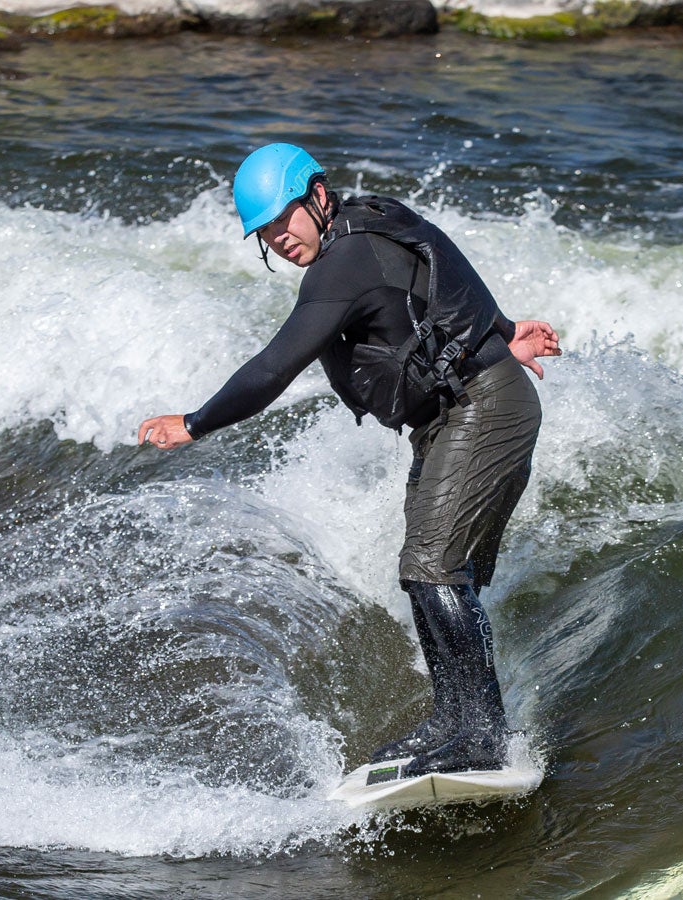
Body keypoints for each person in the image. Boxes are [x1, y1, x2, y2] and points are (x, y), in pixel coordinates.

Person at [136, 143, 562, 778]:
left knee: (434, 567)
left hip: (483, 406)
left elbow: (276, 365)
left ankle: (480, 733)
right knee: (430, 570)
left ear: (316, 196)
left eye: (284, 220)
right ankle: (457, 720)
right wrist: (501, 330)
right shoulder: (371, 224)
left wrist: (195, 423)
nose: (278, 239)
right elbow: (437, 262)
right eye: (264, 233)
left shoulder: (343, 262)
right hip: (457, 411)